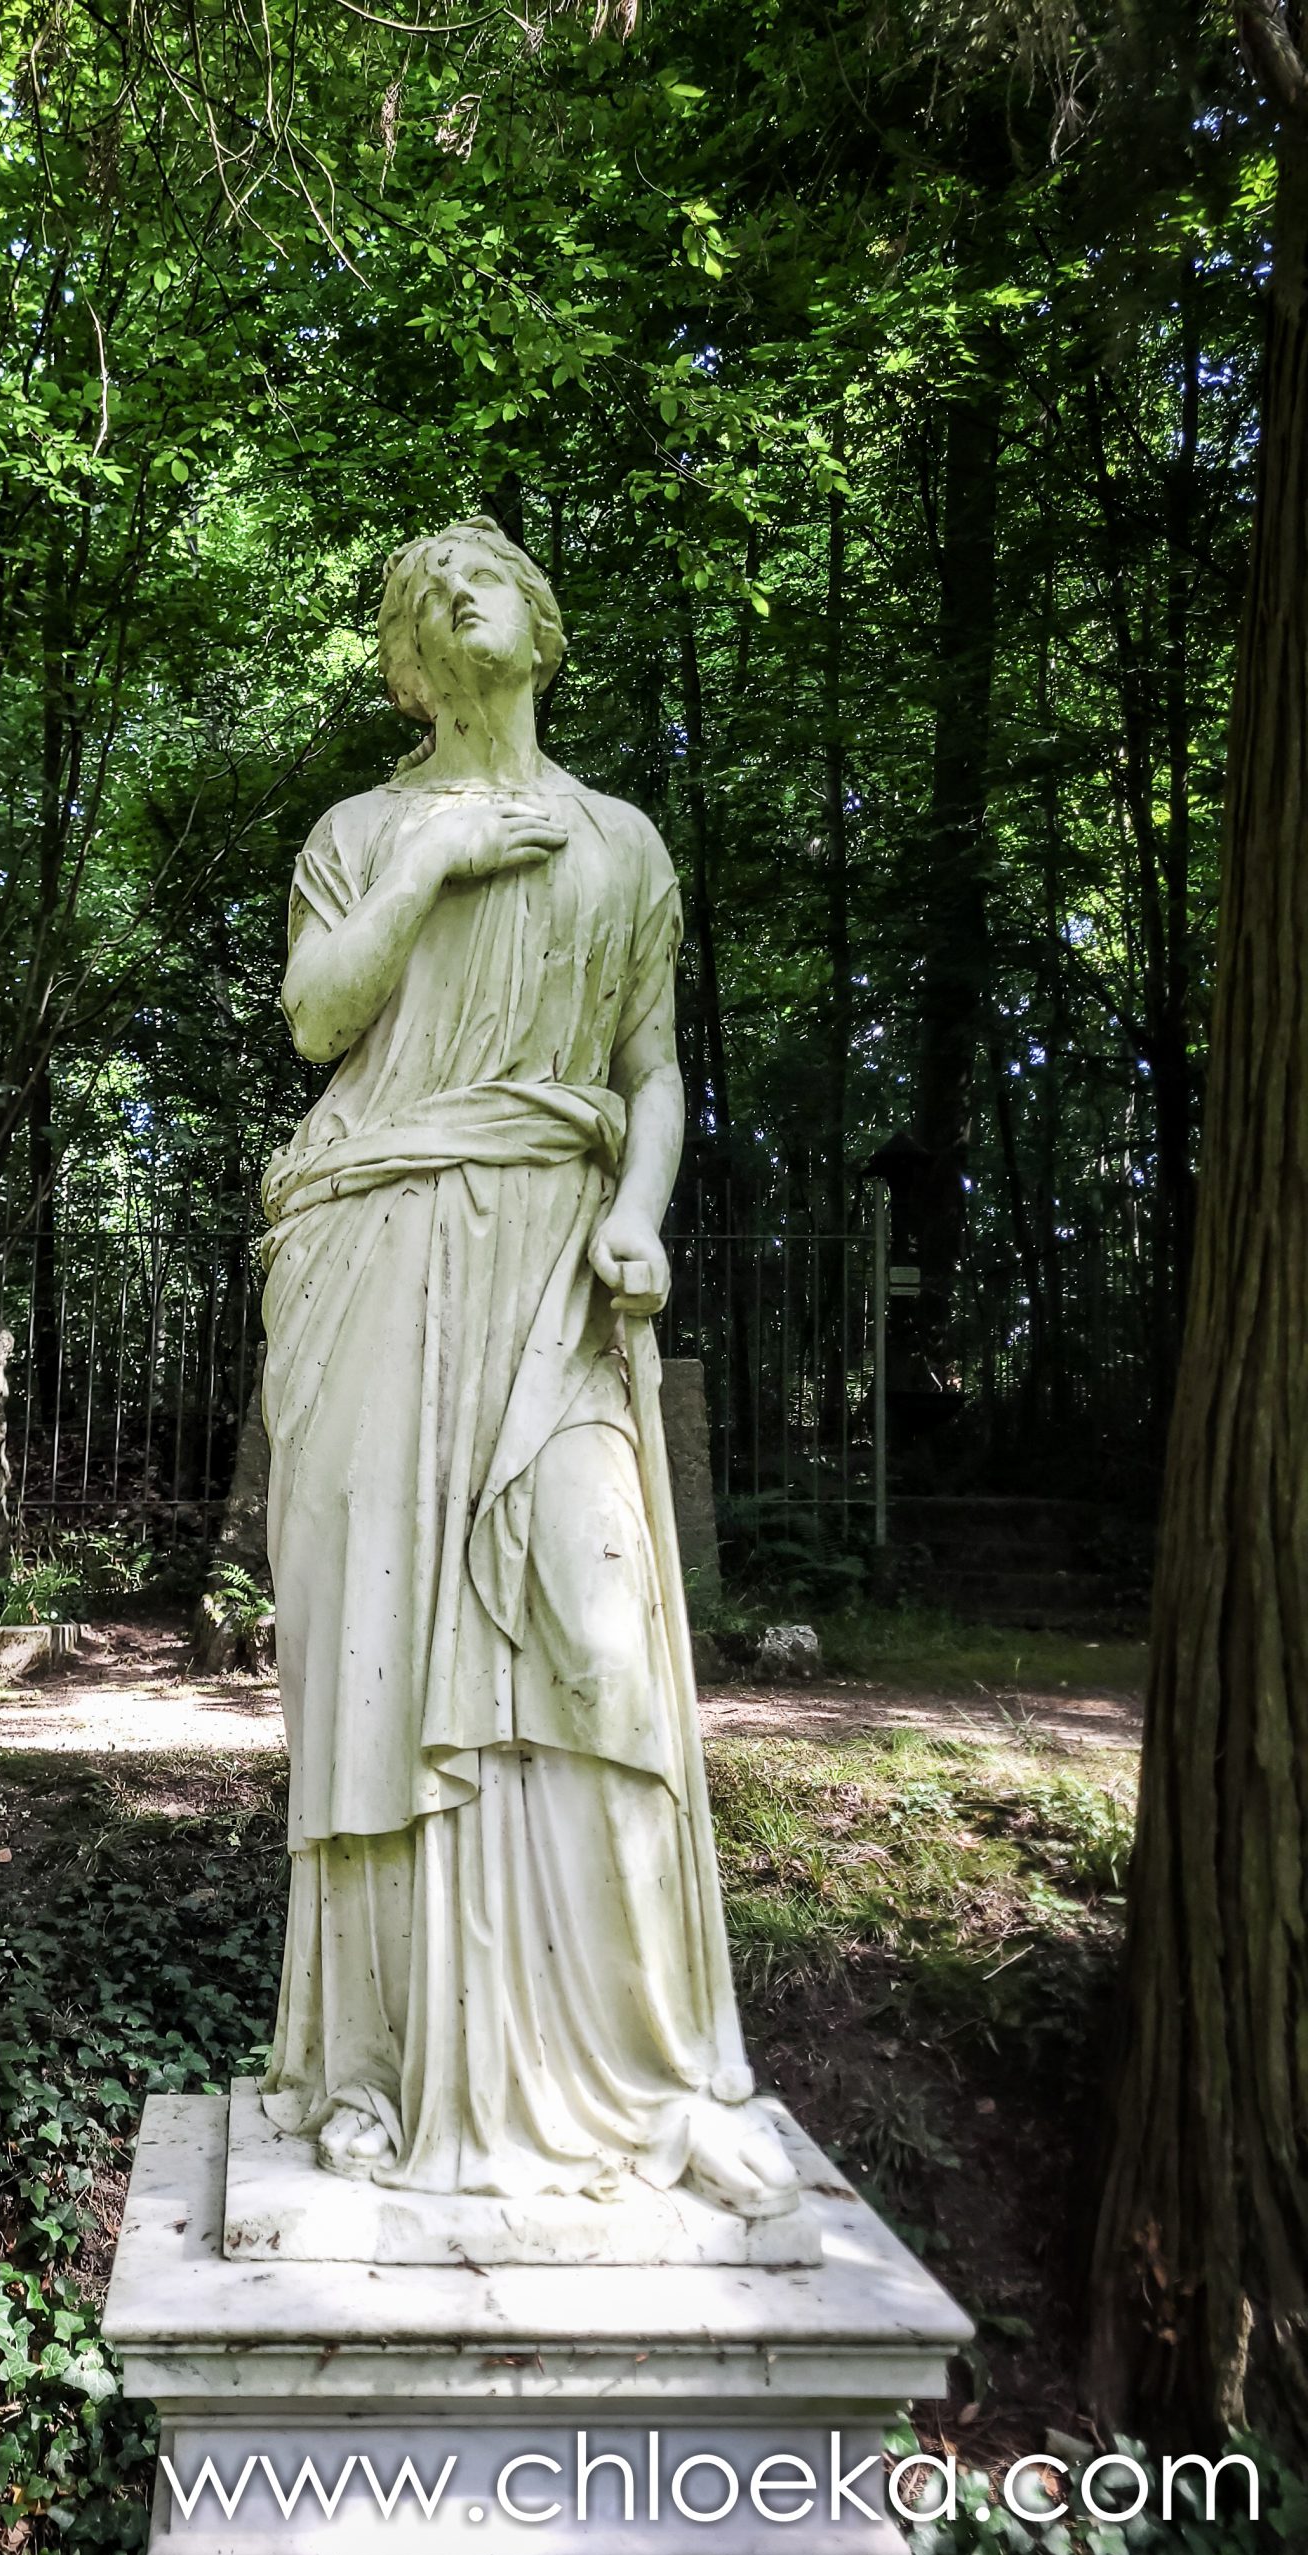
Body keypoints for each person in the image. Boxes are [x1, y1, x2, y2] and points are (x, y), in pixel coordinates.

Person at [255, 516, 798, 2217]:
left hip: (556, 1263)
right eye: (423, 590)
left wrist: (640, 1214)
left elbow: (653, 1072)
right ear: (406, 663)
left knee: (597, 1630)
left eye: (484, 573)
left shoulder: (623, 841)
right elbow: (317, 1020)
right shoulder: (359, 833)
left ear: (540, 627)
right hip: (379, 1242)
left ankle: (654, 2071)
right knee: (375, 1649)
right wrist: (429, 866)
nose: (455, 592)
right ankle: (371, 2068)